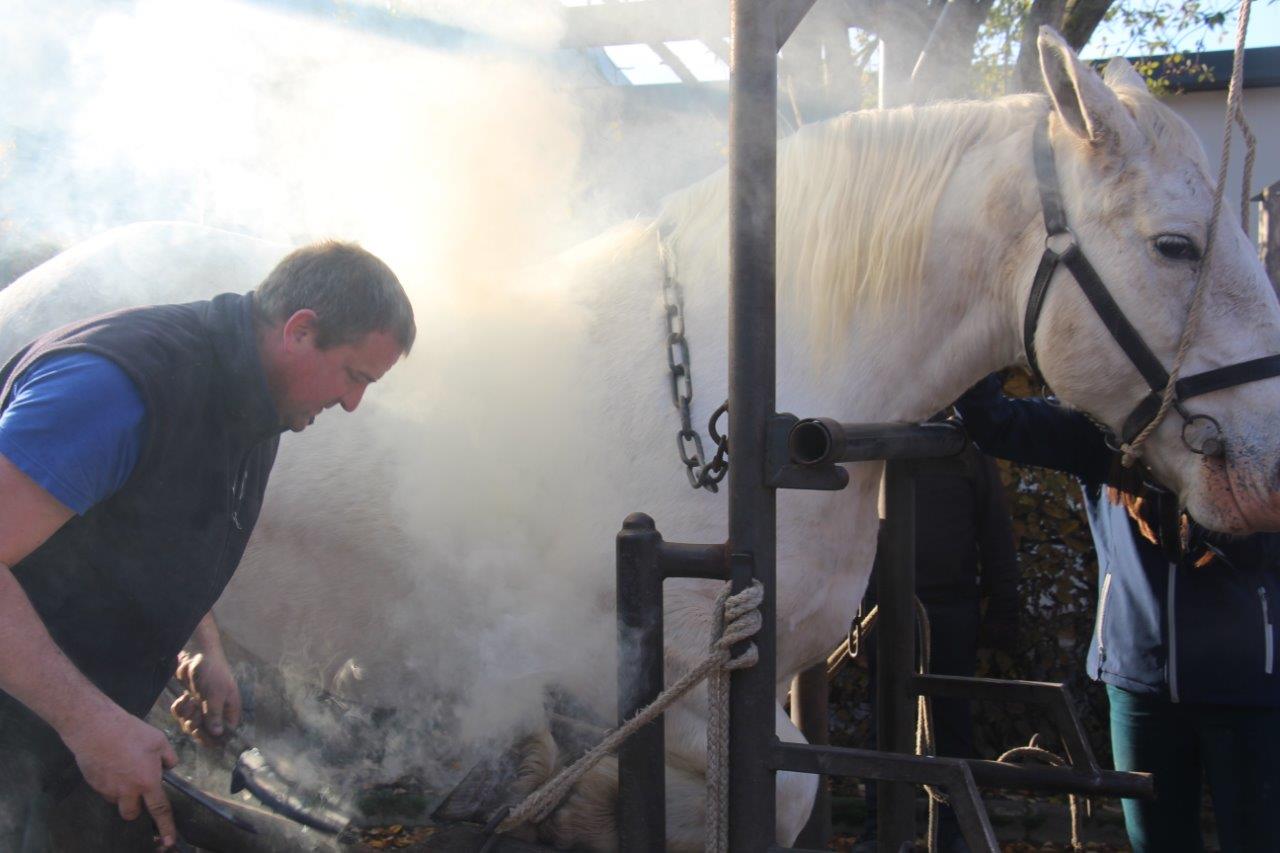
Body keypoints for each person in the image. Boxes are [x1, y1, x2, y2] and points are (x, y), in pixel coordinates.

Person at [0, 240, 415, 851]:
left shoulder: (256, 395)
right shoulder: (114, 391)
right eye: (353, 375)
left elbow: (155, 528)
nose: (353, 402)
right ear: (301, 331)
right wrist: (87, 722)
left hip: (61, 727)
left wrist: (204, 648)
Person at [955, 373, 1280, 853]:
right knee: (1155, 844)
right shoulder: (1104, 428)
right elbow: (990, 421)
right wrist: (1001, 321)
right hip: (1138, 684)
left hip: (1253, 686)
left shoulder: (1260, 421)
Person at [855, 434, 1021, 853]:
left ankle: (950, 829)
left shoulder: (963, 446)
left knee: (950, 722)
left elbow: (994, 526)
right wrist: (853, 613)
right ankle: (880, 829)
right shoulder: (878, 439)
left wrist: (1004, 606)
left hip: (950, 606)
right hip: (884, 606)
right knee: (887, 721)